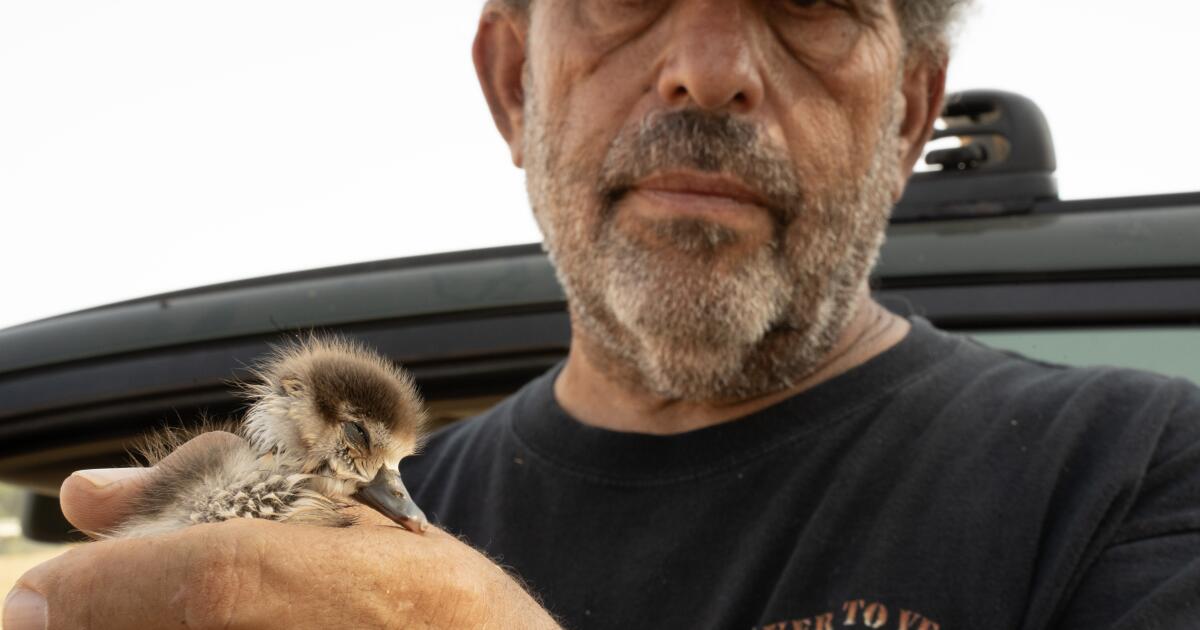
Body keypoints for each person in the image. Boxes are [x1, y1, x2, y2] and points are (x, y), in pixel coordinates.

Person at [5, 1, 1199, 628]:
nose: (712, 64)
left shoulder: (1145, 479)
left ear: (908, 113)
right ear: (512, 80)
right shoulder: (338, 541)